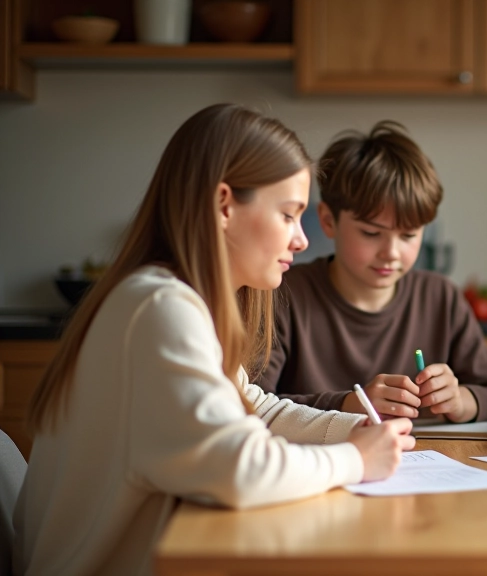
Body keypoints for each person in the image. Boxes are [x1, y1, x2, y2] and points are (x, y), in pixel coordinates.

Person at [14, 104, 415, 576]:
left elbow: (253, 407)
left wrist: (349, 429)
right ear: (224, 205)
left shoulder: (171, 300)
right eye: (288, 215)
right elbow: (240, 469)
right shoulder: (158, 309)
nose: (302, 240)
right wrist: (354, 460)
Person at [255, 121, 487, 423]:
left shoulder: (440, 297)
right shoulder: (281, 295)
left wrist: (463, 400)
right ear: (329, 221)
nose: (391, 253)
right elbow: (249, 405)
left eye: (408, 235)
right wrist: (348, 405)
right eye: (371, 233)